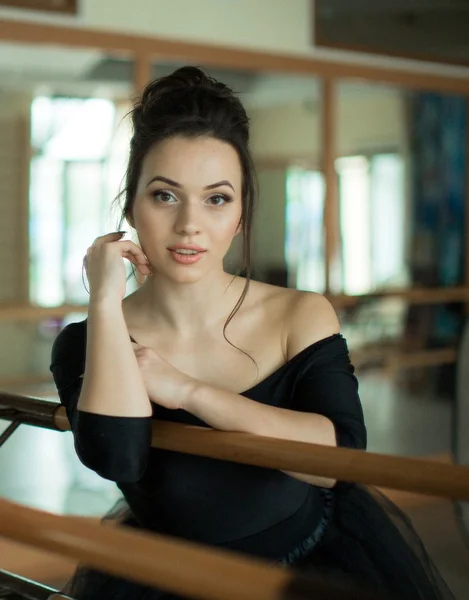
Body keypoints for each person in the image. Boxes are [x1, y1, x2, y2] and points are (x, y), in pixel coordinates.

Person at [50, 66, 455, 600]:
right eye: (165, 196)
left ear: (241, 215)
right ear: (130, 206)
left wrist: (188, 391)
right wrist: (103, 297)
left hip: (310, 571)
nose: (190, 224)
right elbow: (116, 456)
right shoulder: (88, 339)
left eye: (216, 198)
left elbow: (341, 458)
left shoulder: (300, 315)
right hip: (164, 581)